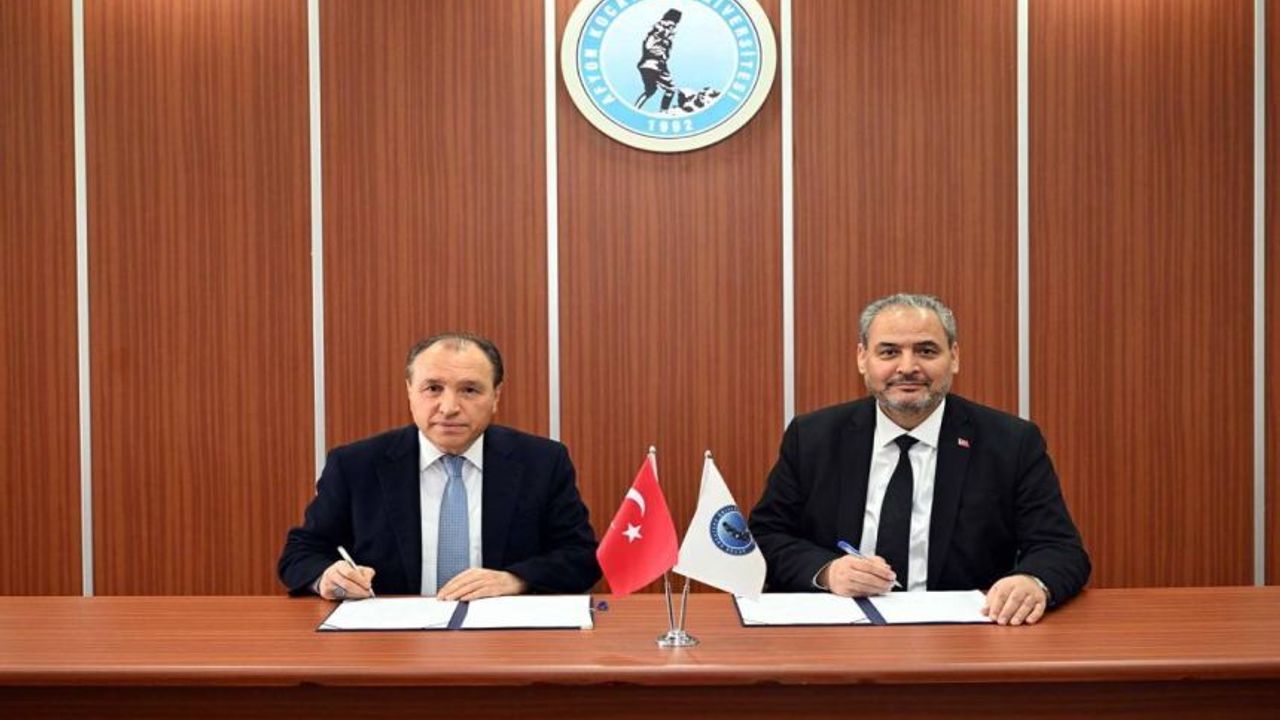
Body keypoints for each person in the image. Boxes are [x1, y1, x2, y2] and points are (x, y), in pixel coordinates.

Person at [749, 293, 1090, 625]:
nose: (908, 367)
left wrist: (1033, 581)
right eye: (889, 352)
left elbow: (1060, 549)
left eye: (926, 351)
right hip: (840, 633)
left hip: (965, 640)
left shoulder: (1011, 442)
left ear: (954, 357)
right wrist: (828, 572)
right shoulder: (813, 437)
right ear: (862, 358)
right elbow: (766, 537)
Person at [278, 332, 600, 601]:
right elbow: (300, 554)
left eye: (469, 390)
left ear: (496, 396)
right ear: (409, 391)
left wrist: (515, 580)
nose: (449, 408)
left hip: (505, 641)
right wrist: (327, 576)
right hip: (389, 645)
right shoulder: (355, 465)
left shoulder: (542, 462)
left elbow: (581, 557)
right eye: (433, 388)